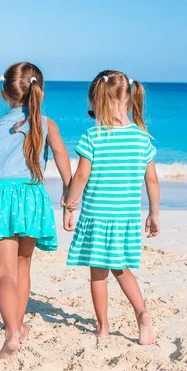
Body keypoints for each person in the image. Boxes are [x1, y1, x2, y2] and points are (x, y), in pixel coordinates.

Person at [0, 62, 73, 358]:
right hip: (33, 196)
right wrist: (69, 191)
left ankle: (12, 333)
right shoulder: (46, 123)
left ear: (4, 94)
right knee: (23, 266)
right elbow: (61, 156)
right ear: (39, 90)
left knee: (4, 273)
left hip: (3, 197)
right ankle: (18, 324)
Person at [63, 70, 160, 345]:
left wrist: (70, 205)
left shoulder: (92, 137)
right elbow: (151, 179)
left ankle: (103, 328)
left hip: (97, 216)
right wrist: (154, 213)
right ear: (129, 99)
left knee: (98, 273)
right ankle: (142, 314)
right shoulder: (141, 138)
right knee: (121, 268)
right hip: (126, 217)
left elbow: (81, 177)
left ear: (98, 102)